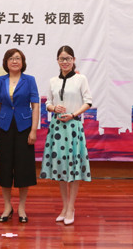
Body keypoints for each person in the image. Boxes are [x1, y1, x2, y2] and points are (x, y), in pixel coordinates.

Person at [40, 45, 92, 226]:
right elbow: (48, 103)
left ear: (73, 60)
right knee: (60, 167)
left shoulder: (80, 79)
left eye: (68, 58)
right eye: (62, 59)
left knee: (74, 168)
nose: (65, 62)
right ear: (57, 61)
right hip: (57, 128)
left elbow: (88, 102)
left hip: (73, 127)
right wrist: (54, 108)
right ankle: (64, 207)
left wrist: (73, 114)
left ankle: (71, 207)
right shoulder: (53, 81)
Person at [0, 48, 40, 223]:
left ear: (22, 62)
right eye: (11, 58)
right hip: (4, 127)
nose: (14, 61)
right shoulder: (0, 80)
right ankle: (7, 206)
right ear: (6, 62)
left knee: (23, 168)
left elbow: (35, 106)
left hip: (24, 128)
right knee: (5, 167)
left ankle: (21, 208)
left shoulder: (29, 80)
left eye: (18, 58)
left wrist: (33, 130)